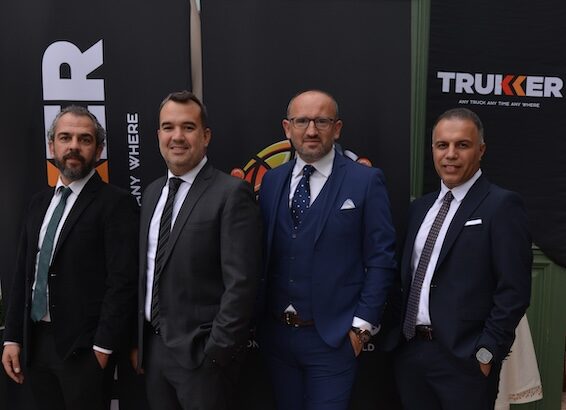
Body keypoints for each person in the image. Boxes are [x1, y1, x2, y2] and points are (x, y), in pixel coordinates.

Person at [257, 89, 397, 410]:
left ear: (337, 128)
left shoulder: (365, 181)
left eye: (321, 121)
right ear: (287, 128)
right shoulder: (272, 182)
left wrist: (360, 330)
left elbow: (381, 258)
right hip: (277, 338)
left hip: (333, 341)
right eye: (302, 121)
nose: (311, 130)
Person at [1, 105, 139, 410]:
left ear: (98, 150)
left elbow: (123, 282)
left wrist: (102, 350)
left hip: (84, 352)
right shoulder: (38, 203)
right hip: (36, 347)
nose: (73, 146)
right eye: (65, 137)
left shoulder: (117, 204)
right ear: (52, 146)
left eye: (84, 139)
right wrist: (13, 338)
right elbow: (23, 274)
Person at [394, 108, 532, 409]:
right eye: (442, 145)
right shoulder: (420, 209)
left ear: (481, 150)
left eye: (463, 145)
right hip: (412, 355)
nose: (451, 154)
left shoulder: (502, 205)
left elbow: (514, 290)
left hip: (466, 362)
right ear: (433, 149)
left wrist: (486, 353)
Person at [136, 90, 261, 410]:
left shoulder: (231, 193)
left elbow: (242, 284)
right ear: (158, 135)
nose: (177, 136)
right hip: (153, 352)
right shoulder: (152, 193)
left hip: (203, 359)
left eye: (188, 127)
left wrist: (216, 352)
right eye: (168, 127)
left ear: (206, 136)